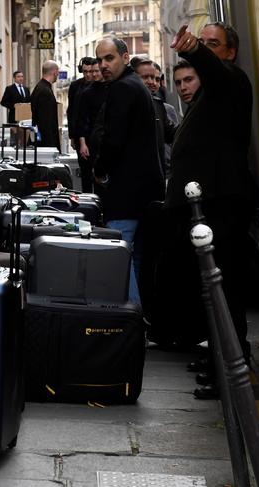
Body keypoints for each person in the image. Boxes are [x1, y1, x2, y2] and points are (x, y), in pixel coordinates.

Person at [168, 22, 259, 399]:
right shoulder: (209, 93)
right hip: (206, 207)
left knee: (225, 292)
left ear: (230, 52)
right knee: (211, 291)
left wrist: (192, 50)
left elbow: (215, 73)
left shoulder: (231, 81)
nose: (206, 48)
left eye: (213, 44)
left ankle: (231, 373)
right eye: (202, 42)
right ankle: (220, 358)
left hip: (223, 205)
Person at [94, 37, 164, 304]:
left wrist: (100, 170)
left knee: (119, 254)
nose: (103, 65)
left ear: (125, 58)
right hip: (145, 191)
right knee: (133, 257)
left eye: (109, 58)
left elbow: (113, 140)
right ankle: (136, 320)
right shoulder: (133, 85)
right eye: (100, 59)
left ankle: (131, 324)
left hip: (128, 192)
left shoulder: (123, 88)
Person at [130, 57, 177, 179]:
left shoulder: (158, 104)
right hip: (132, 177)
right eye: (145, 77)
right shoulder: (121, 103)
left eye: (154, 78)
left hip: (158, 175)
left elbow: (171, 134)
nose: (152, 82)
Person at [67, 57, 97, 192]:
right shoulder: (75, 86)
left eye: (91, 71)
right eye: (85, 72)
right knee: (85, 172)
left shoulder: (100, 85)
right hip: (80, 134)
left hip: (95, 134)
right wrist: (72, 136)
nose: (89, 75)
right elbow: (71, 111)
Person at [76, 60, 106, 192]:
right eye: (91, 71)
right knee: (90, 177)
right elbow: (81, 120)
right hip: (91, 139)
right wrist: (82, 143)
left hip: (107, 138)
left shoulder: (113, 89)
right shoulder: (87, 93)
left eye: (96, 71)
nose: (93, 74)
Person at [30, 60, 61, 151]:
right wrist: (51, 147)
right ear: (54, 72)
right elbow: (46, 122)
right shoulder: (45, 91)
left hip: (41, 139)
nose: (58, 75)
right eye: (58, 72)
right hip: (46, 143)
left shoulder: (40, 87)